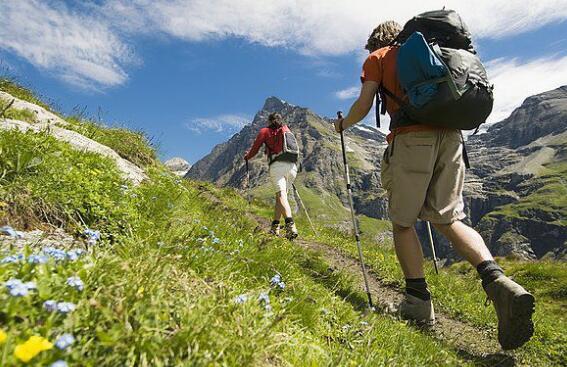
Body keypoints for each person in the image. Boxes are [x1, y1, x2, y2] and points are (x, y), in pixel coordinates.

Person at [334, 20, 535, 350]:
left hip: (412, 139)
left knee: (402, 224)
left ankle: (417, 305)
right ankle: (498, 281)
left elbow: (365, 103)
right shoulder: (434, 53)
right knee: (449, 219)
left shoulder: (379, 58)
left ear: (374, 42)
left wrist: (343, 124)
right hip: (453, 140)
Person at [244, 112, 299, 239]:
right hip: (292, 166)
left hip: (277, 166)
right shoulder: (286, 129)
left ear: (269, 121)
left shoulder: (265, 131)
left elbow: (255, 149)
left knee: (281, 196)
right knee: (280, 197)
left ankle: (290, 226)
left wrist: (247, 156)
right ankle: (275, 228)